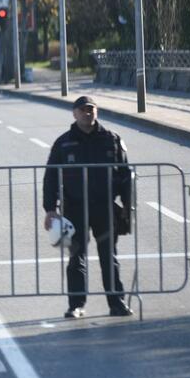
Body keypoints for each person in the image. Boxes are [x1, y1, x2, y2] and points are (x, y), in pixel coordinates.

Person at [43, 96, 134, 319]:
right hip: (74, 209)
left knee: (108, 257)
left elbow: (124, 174)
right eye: (83, 110)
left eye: (91, 109)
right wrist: (50, 209)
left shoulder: (111, 139)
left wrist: (127, 205)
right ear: (74, 113)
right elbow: (51, 177)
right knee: (76, 258)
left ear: (97, 112)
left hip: (104, 208)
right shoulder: (63, 143)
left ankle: (117, 303)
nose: (87, 113)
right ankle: (76, 305)